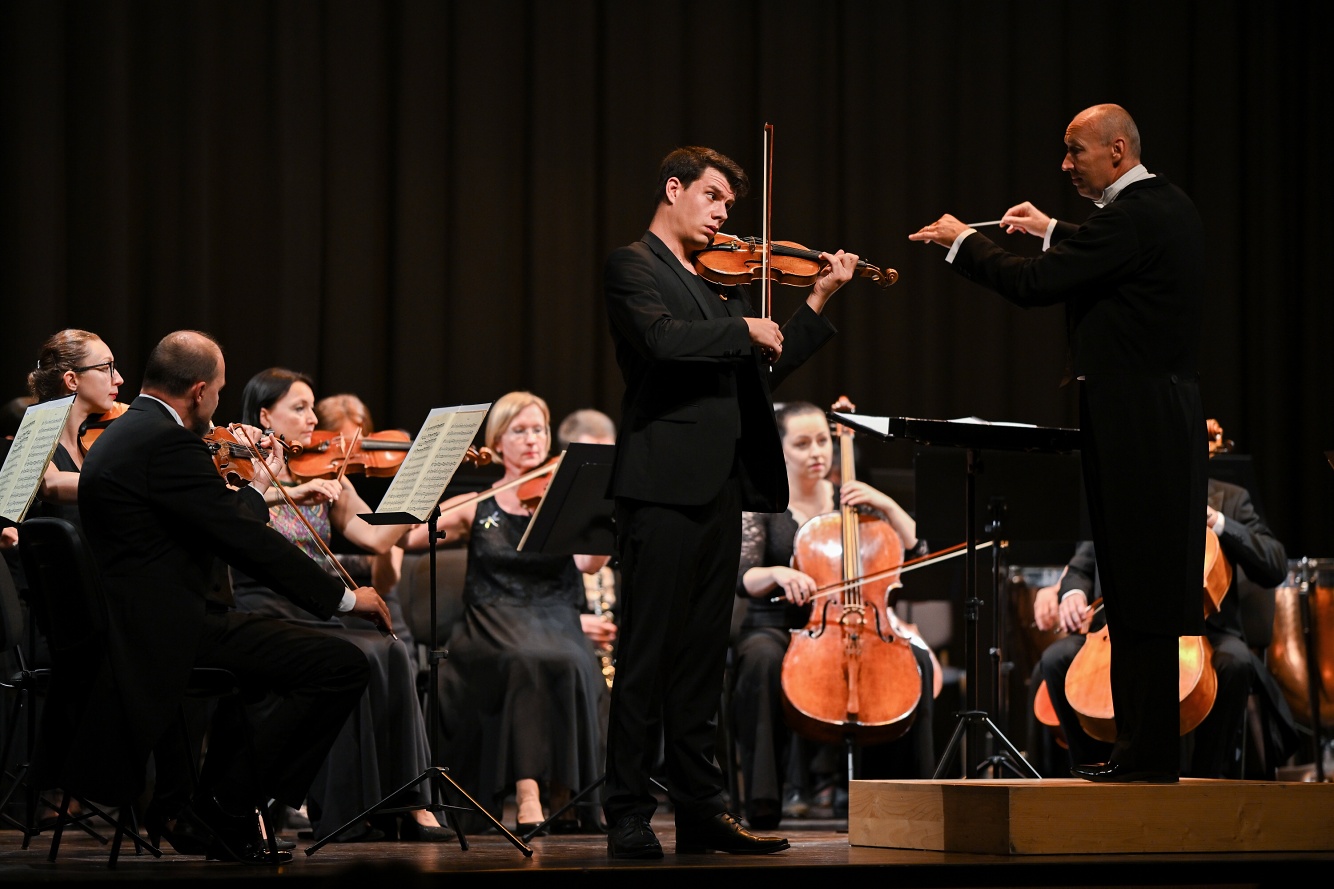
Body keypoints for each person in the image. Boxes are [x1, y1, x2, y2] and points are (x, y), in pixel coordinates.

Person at [910, 104, 1207, 784]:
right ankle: (1142, 753)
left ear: (1117, 149)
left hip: (1139, 424)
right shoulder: (1164, 206)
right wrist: (1050, 230)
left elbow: (1035, 284)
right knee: (1136, 588)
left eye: (1076, 150)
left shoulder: (1130, 216)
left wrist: (962, 242)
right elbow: (1110, 252)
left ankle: (1147, 757)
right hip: (1158, 418)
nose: (1065, 163)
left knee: (1138, 589)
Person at [602, 145, 857, 858]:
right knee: (647, 654)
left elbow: (760, 369)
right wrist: (742, 327)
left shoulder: (722, 285)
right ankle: (626, 812)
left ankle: (701, 812)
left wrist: (815, 301)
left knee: (700, 658)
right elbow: (660, 340)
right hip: (659, 487)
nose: (722, 215)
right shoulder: (633, 265)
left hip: (720, 487)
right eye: (712, 196)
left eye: (729, 205)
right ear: (673, 187)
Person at [69, 330, 390, 864]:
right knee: (340, 665)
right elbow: (243, 542)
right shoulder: (167, 442)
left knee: (268, 677)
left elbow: (215, 520)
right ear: (199, 391)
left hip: (143, 625)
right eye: (218, 392)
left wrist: (255, 486)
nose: (218, 406)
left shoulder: (127, 434)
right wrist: (346, 599)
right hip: (172, 633)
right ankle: (225, 807)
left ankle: (209, 808)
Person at [231, 368, 451, 843]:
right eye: (300, 408)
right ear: (265, 416)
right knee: (358, 654)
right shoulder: (242, 478)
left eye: (313, 407)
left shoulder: (327, 471)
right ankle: (345, 809)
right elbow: (238, 530)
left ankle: (407, 803)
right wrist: (285, 493)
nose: (313, 419)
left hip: (318, 610)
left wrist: (419, 493)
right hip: (268, 608)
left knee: (392, 649)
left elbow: (375, 539)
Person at [732, 401, 934, 830]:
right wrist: (778, 572)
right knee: (760, 659)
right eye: (802, 443)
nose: (817, 452)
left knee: (917, 661)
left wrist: (886, 503)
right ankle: (764, 801)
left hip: (855, 624)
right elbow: (742, 576)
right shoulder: (765, 502)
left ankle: (907, 795)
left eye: (823, 441)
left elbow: (917, 549)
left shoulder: (853, 503)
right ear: (780, 449)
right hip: (776, 624)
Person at [425, 391, 610, 835]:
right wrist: (432, 479)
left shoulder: (561, 499)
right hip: (491, 622)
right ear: (497, 442)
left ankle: (568, 795)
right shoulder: (478, 503)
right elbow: (409, 536)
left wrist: (600, 513)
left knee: (572, 661)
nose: (532, 440)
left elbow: (588, 564)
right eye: (520, 431)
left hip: (555, 618)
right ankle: (528, 792)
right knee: (523, 660)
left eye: (539, 430)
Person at [1034, 475, 1292, 779]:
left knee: (1236, 663)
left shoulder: (1232, 498)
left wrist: (1219, 522)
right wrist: (1073, 593)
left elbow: (1275, 563)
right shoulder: (1120, 497)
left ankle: (1209, 779)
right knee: (1056, 660)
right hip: (1122, 631)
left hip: (1204, 631)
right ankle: (1092, 771)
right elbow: (1081, 566)